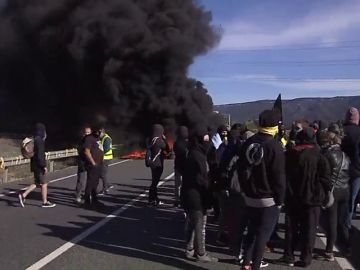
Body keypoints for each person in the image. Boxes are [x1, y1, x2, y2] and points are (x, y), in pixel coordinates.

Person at [238, 110, 286, 270]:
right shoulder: (275, 146)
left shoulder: (248, 142)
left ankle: (246, 263)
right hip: (268, 199)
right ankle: (256, 266)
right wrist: (280, 199)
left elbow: (240, 169)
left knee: (251, 233)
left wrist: (245, 190)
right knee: (262, 236)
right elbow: (279, 177)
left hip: (249, 197)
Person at [279, 127, 331, 267]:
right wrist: (325, 194)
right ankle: (305, 257)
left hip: (293, 196)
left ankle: (288, 255)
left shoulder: (290, 154)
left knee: (291, 227)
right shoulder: (319, 155)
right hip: (313, 198)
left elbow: (283, 175)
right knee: (310, 229)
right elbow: (326, 179)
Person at [181, 126, 218, 262]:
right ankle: (201, 253)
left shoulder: (192, 152)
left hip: (189, 193)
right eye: (205, 139)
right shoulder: (198, 155)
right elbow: (203, 179)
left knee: (191, 224)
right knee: (199, 225)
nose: (207, 142)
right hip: (196, 195)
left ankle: (189, 249)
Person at [320, 131, 351, 260]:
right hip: (345, 190)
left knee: (332, 221)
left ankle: (329, 251)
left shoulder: (328, 155)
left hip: (334, 191)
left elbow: (325, 174)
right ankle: (347, 246)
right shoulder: (346, 156)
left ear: (330, 142)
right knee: (343, 221)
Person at [18, 123, 56, 208]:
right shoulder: (40, 141)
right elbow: (40, 155)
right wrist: (43, 166)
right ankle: (45, 202)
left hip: (34, 164)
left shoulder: (34, 139)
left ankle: (23, 194)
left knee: (37, 183)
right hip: (39, 165)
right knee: (44, 183)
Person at [341, 107, 360, 229]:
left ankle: (338, 221)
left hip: (341, 169)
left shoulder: (341, 131)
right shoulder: (359, 132)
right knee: (351, 199)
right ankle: (346, 225)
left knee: (341, 198)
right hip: (356, 171)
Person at [148, 124, 170, 206]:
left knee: (154, 182)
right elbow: (167, 150)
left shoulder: (151, 140)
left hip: (152, 163)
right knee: (154, 183)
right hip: (158, 164)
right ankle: (151, 200)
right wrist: (165, 140)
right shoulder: (160, 141)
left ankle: (155, 199)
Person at [83, 125, 104, 207]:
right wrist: (93, 162)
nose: (100, 133)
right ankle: (87, 201)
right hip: (92, 164)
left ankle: (95, 199)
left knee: (96, 182)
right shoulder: (89, 138)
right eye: (99, 131)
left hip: (99, 163)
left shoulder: (98, 138)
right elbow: (86, 151)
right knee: (90, 182)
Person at [75, 125, 92, 203]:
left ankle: (88, 195)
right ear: (83, 133)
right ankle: (78, 196)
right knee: (81, 180)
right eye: (86, 133)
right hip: (83, 163)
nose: (87, 134)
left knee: (90, 179)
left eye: (88, 133)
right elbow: (81, 151)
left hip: (90, 163)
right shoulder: (81, 141)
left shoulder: (92, 141)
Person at [173, 126, 188, 207]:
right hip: (186, 166)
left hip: (177, 165)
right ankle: (183, 200)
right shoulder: (188, 143)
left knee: (177, 185)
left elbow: (175, 151)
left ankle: (177, 200)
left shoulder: (176, 143)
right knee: (185, 185)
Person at [98, 127, 113, 195]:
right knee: (100, 174)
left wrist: (99, 152)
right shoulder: (103, 138)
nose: (98, 134)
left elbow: (106, 149)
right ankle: (108, 185)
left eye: (99, 133)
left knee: (102, 174)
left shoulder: (107, 138)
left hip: (106, 158)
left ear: (103, 132)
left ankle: (105, 189)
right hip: (103, 158)